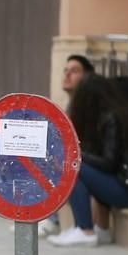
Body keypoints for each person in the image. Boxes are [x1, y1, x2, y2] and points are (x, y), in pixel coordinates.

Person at [48, 75, 128, 247]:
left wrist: (77, 155)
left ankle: (85, 229)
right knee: (77, 165)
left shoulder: (111, 118)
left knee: (73, 167)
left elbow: (109, 163)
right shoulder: (118, 115)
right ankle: (98, 229)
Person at [38, 54, 96, 237]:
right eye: (65, 70)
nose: (67, 75)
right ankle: (46, 216)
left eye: (74, 71)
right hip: (86, 163)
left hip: (95, 166)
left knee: (66, 165)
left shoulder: (90, 107)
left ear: (87, 76)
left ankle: (56, 221)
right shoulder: (71, 105)